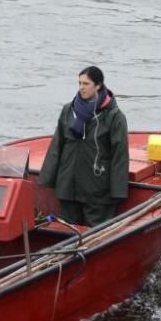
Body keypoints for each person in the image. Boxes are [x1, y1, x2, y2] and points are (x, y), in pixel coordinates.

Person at [37, 65, 129, 227]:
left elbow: (119, 155)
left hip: (96, 189)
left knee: (95, 234)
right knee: (68, 232)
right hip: (68, 186)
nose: (81, 88)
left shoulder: (114, 116)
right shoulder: (68, 110)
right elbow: (57, 145)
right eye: (79, 83)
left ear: (98, 85)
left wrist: (118, 192)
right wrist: (47, 179)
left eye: (86, 84)